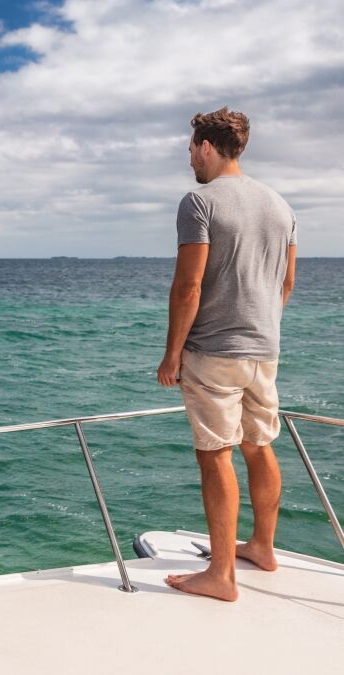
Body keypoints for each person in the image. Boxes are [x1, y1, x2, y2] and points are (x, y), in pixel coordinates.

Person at [157, 107, 297, 602]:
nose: (189, 157)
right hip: (266, 349)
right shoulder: (280, 205)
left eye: (192, 148)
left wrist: (172, 353)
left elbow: (188, 286)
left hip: (214, 350)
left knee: (215, 454)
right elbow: (286, 281)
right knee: (259, 446)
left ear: (208, 147)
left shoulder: (199, 201)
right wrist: (262, 326)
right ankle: (263, 547)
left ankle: (220, 576)